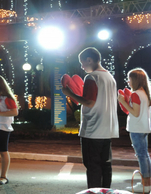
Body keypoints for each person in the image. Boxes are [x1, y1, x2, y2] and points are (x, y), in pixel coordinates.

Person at [61, 47, 119, 188]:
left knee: (92, 166)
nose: (82, 66)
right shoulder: (109, 77)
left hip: (93, 129)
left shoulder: (92, 77)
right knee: (106, 165)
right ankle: (106, 191)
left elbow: (89, 102)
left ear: (89, 60)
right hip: (107, 129)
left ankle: (94, 191)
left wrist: (69, 93)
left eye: (82, 62)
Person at [118, 68, 151, 192]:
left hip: (136, 128)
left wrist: (122, 101)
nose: (128, 81)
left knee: (142, 156)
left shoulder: (136, 94)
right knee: (145, 155)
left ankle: (145, 185)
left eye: (130, 79)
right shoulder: (145, 93)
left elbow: (134, 113)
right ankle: (147, 183)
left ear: (135, 80)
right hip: (144, 128)